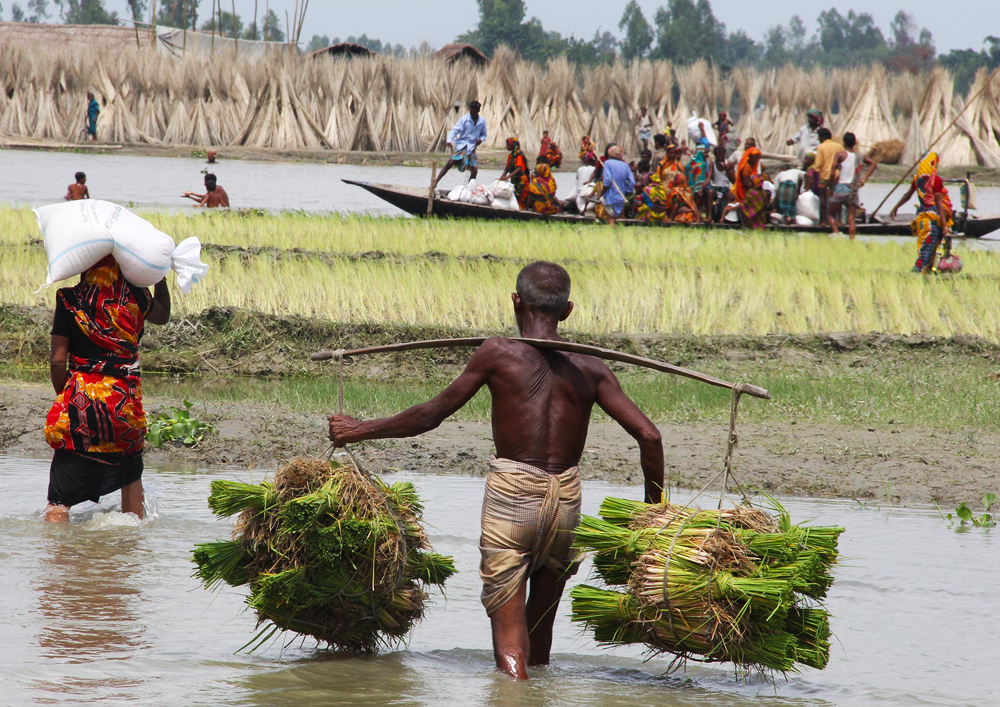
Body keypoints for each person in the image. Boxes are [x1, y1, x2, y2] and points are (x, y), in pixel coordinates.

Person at [327, 261, 664, 680]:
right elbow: (649, 437)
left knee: (509, 637)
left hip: (513, 495)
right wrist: (653, 513)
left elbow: (431, 415)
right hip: (566, 504)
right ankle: (535, 689)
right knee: (539, 635)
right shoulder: (591, 366)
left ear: (516, 302)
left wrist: (359, 429)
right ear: (568, 310)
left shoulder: (497, 352)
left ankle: (514, 692)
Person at [43, 256, 171, 523]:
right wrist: (159, 275)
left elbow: (57, 361)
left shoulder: (70, 299)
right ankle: (129, 550)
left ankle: (56, 551)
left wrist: (65, 397)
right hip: (124, 403)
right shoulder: (136, 297)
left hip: (79, 403)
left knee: (59, 501)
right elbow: (163, 315)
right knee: (130, 474)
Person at [889, 152, 953, 272]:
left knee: (926, 247)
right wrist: (944, 226)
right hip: (934, 219)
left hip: (922, 218)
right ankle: (917, 272)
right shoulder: (936, 181)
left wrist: (896, 207)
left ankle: (925, 272)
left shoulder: (917, 180)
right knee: (929, 248)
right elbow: (939, 205)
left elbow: (907, 195)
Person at [828, 132, 877, 238]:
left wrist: (831, 187)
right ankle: (851, 240)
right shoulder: (859, 155)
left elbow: (832, 172)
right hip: (853, 190)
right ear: (854, 142)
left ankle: (836, 235)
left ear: (843, 142)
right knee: (851, 218)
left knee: (830, 213)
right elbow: (873, 164)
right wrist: (864, 179)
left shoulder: (840, 154)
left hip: (841, 188)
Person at [433, 100, 487, 189]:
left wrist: (481, 139)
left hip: (472, 147)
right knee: (451, 162)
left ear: (478, 111)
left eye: (474, 111)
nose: (472, 113)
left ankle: (468, 189)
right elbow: (455, 130)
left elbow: (484, 134)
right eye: (471, 111)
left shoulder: (482, 122)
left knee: (474, 170)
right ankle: (435, 182)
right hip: (462, 146)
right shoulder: (464, 119)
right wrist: (449, 140)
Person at [600, 145, 635, 227]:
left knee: (610, 218)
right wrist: (628, 191)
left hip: (610, 196)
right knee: (620, 218)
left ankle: (613, 236)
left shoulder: (607, 163)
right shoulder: (625, 165)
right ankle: (621, 236)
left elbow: (607, 181)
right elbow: (632, 181)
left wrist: (601, 194)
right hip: (621, 196)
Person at [812, 128, 839, 223]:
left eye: (819, 136)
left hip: (824, 177)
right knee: (836, 199)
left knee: (822, 198)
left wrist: (814, 179)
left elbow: (817, 166)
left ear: (823, 136)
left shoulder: (821, 147)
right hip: (836, 177)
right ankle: (837, 221)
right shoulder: (839, 146)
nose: (818, 139)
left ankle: (823, 221)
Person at [499, 137, 530, 210]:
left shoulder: (518, 154)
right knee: (514, 196)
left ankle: (522, 210)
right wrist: (501, 178)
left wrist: (508, 177)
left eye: (508, 145)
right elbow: (507, 168)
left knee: (521, 196)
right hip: (514, 180)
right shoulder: (510, 156)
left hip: (521, 180)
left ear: (513, 145)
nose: (507, 146)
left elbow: (519, 168)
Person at [709, 145, 735, 222]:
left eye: (721, 155)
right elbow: (709, 177)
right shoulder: (712, 163)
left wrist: (727, 170)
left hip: (725, 188)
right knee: (710, 193)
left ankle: (721, 217)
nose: (720, 157)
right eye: (718, 155)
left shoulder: (729, 163)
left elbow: (733, 180)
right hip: (715, 187)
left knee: (722, 208)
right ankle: (709, 215)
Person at [684, 145, 711, 218]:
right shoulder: (700, 164)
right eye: (705, 153)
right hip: (697, 189)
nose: (707, 155)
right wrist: (700, 188)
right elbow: (700, 179)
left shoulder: (691, 162)